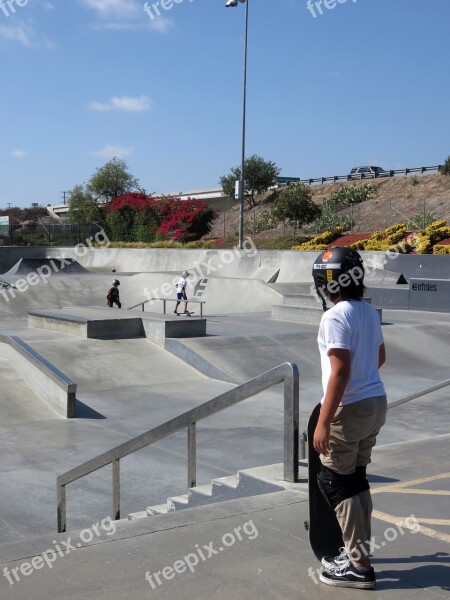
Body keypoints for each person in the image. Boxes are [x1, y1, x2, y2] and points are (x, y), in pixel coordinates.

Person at [311, 247, 387, 590]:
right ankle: (359, 553)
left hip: (350, 407)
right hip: (376, 402)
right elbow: (379, 356)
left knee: (333, 481)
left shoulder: (334, 316)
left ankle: (358, 565)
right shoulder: (368, 311)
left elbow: (339, 372)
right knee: (356, 476)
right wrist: (364, 380)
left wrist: (324, 421)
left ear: (328, 282)